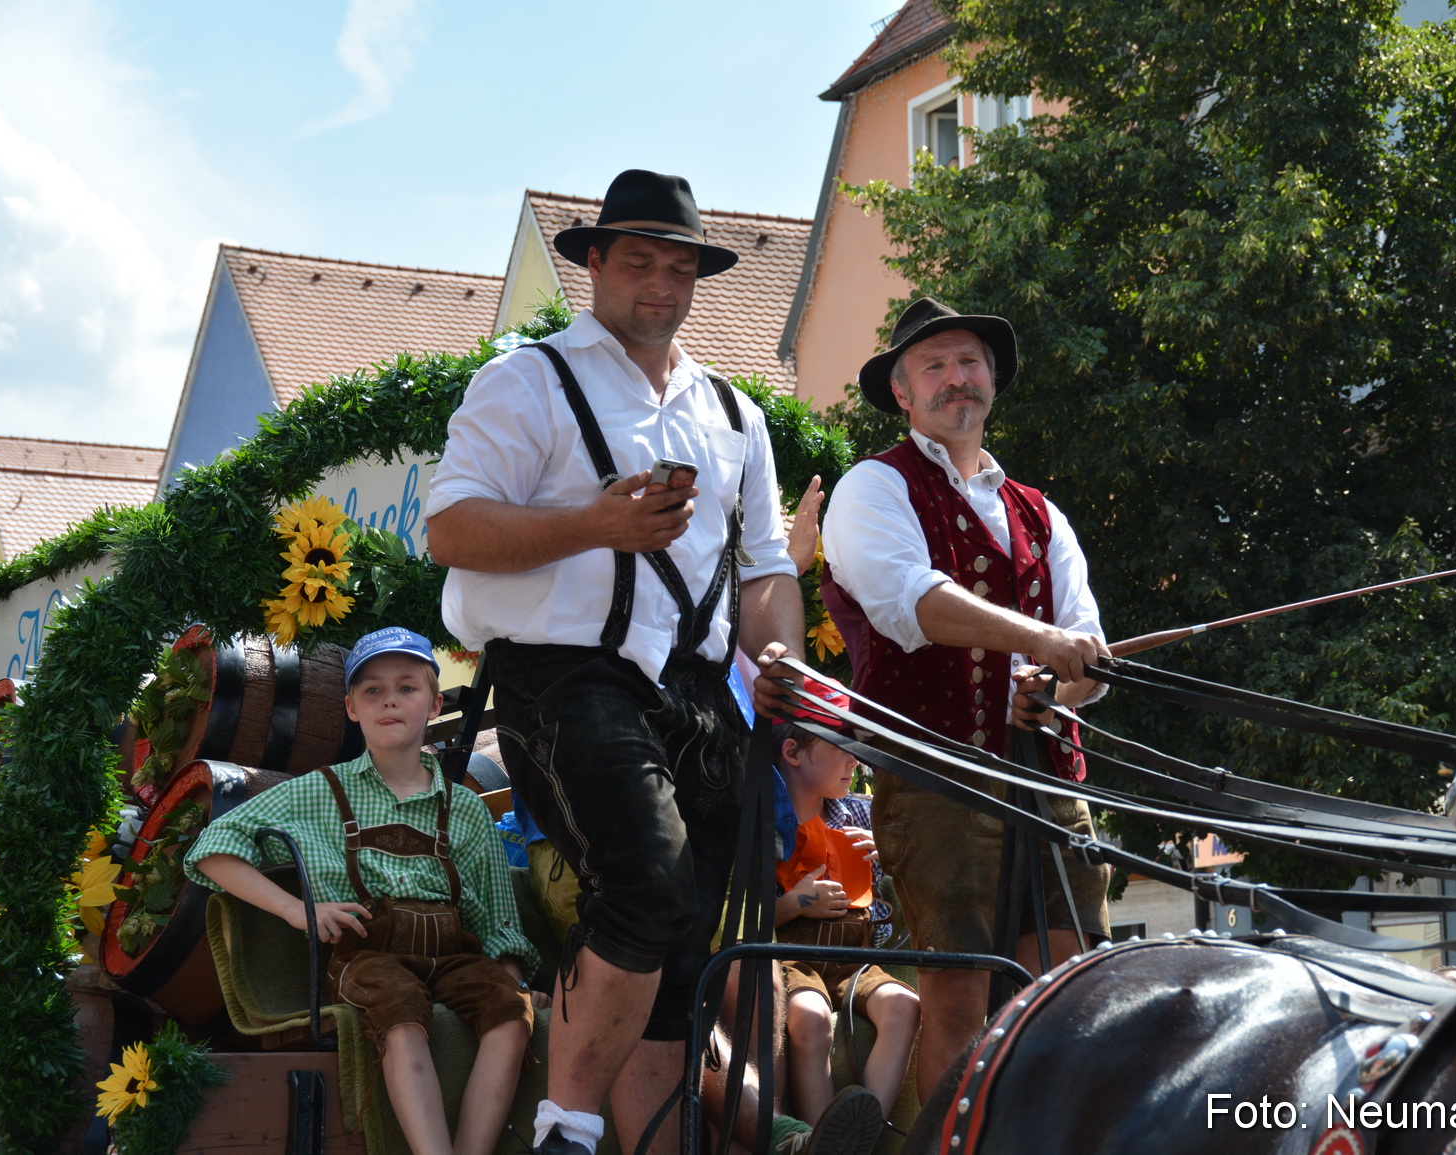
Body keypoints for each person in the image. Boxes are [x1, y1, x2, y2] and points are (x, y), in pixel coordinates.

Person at [424, 169, 839, 1155]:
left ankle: (659, 1142)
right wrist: (590, 524)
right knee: (645, 885)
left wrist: (776, 650)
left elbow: (766, 568)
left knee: (689, 938)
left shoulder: (735, 415)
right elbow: (450, 527)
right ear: (595, 266)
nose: (660, 283)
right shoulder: (527, 379)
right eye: (640, 261)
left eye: (678, 266)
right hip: (565, 675)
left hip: (695, 692)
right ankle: (563, 1129)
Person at [820, 297, 1113, 1101]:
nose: (958, 378)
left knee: (1067, 993)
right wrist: (1044, 643)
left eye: (971, 362)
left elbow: (1086, 647)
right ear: (903, 394)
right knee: (959, 996)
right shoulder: (872, 487)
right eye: (935, 366)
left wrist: (1059, 683)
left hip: (1051, 783)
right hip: (938, 782)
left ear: (993, 382)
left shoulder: (1040, 513)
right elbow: (910, 601)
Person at [186, 627, 540, 1155]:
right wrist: (296, 909)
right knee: (400, 1013)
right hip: (367, 952)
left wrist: (514, 984)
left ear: (434, 702)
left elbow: (496, 920)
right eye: (372, 691)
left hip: (454, 954)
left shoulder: (463, 807)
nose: (390, 700)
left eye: (406, 687)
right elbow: (212, 846)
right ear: (351, 707)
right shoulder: (320, 791)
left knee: (511, 1015)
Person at [773, 711, 919, 1129]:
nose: (856, 761)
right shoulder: (764, 824)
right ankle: (822, 1136)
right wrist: (797, 903)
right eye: (844, 748)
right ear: (792, 752)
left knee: (904, 1006)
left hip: (856, 961)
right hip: (793, 961)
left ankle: (859, 1132)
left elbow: (904, 876)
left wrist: (887, 855)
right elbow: (748, 914)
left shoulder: (860, 814)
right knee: (811, 1017)